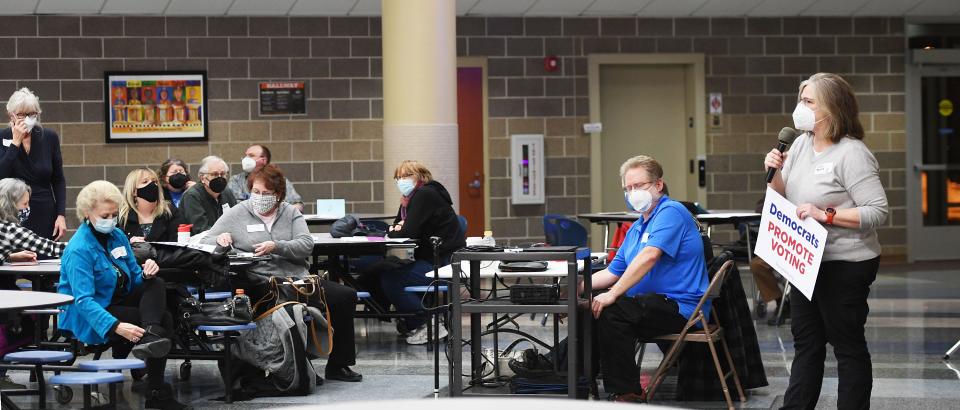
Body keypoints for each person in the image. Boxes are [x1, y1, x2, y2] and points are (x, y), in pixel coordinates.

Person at [764, 73, 887, 410]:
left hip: (847, 262)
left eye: (808, 102)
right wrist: (774, 172)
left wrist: (827, 214)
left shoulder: (852, 153)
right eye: (801, 99)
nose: (800, 108)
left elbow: (877, 211)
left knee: (846, 344)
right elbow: (783, 196)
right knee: (807, 342)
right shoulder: (801, 144)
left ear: (832, 109)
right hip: (807, 260)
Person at [201, 164, 362, 383]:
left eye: (266, 194)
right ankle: (293, 365)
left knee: (345, 296)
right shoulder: (238, 212)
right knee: (289, 308)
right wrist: (221, 240)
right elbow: (207, 239)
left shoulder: (290, 212)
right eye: (255, 192)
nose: (259, 197)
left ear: (278, 194)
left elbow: (306, 245)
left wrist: (277, 246)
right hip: (261, 281)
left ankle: (339, 365)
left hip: (298, 280)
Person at [57, 181, 190, 410]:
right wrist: (117, 326)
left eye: (114, 214)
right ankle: (156, 393)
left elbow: (134, 277)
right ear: (87, 214)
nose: (111, 219)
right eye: (105, 215)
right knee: (164, 320)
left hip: (116, 298)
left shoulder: (118, 236)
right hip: (90, 311)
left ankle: (150, 338)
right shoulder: (79, 249)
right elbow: (84, 301)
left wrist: (146, 272)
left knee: (156, 282)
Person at [588, 155, 710, 403]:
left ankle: (628, 392)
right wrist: (575, 288)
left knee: (611, 310)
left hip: (681, 307)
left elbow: (650, 256)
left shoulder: (671, 212)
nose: (633, 193)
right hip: (646, 305)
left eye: (639, 186)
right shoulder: (635, 228)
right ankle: (562, 374)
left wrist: (613, 293)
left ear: (658, 185)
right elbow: (612, 271)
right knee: (587, 307)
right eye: (628, 188)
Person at [380, 160, 465, 345]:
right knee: (389, 270)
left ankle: (426, 324)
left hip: (444, 264)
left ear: (421, 176)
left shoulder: (425, 194)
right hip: (434, 259)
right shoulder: (408, 200)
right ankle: (415, 322)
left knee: (391, 278)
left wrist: (394, 230)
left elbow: (405, 232)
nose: (401, 180)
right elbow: (397, 226)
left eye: (406, 175)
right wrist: (396, 229)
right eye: (398, 177)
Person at [0, 178, 67, 389]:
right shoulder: (11, 229)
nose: (27, 209)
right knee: (28, 323)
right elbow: (53, 249)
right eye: (24, 204)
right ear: (10, 203)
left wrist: (9, 256)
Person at [0, 88, 67, 241]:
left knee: (45, 256)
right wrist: (15, 143)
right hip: (11, 213)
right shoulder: (2, 137)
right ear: (11, 115)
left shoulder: (49, 137)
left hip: (44, 210)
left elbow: (58, 179)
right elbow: (1, 174)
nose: (27, 119)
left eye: (32, 114)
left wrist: (61, 215)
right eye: (22, 115)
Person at [227, 144, 304, 210]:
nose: (246, 159)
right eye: (246, 155)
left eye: (251, 156)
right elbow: (235, 206)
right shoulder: (236, 180)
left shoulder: (279, 180)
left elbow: (298, 204)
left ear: (263, 160)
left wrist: (279, 212)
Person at [118, 168, 182, 243]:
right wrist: (129, 244)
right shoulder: (123, 216)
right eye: (145, 182)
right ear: (133, 191)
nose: (152, 184)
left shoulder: (170, 212)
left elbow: (177, 244)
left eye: (154, 181)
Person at [178, 156, 237, 235]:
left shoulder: (227, 192)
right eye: (214, 174)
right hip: (199, 242)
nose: (219, 178)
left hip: (227, 239)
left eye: (222, 174)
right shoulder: (192, 196)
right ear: (202, 178)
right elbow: (201, 229)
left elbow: (237, 219)